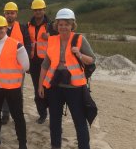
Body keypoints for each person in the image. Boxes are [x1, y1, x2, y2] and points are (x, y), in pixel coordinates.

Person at [38, 8, 96, 149]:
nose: (63, 27)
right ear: (56, 25)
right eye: (60, 24)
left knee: (80, 121)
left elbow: (92, 60)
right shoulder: (52, 40)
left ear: (72, 25)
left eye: (67, 24)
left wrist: (80, 55)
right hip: (54, 87)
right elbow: (45, 65)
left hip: (75, 88)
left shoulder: (79, 39)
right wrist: (40, 86)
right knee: (55, 121)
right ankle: (55, 146)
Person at [0, 15, 29, 149]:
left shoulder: (17, 45)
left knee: (18, 116)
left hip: (12, 88)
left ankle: (22, 144)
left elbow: (26, 66)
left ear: (5, 28)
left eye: (1, 28)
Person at [1, 2, 31, 125]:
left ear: (16, 14)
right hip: (3, 67)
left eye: (12, 13)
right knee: (4, 92)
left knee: (18, 92)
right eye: (7, 13)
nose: (10, 15)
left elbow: (28, 45)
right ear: (4, 14)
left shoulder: (23, 28)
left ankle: (18, 114)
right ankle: (5, 114)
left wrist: (26, 63)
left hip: (18, 67)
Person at [28, 0, 57, 124]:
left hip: (48, 62)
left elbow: (60, 39)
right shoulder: (28, 25)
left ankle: (53, 114)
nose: (38, 12)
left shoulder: (52, 26)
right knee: (37, 89)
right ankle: (42, 114)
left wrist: (50, 37)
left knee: (50, 89)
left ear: (44, 10)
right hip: (34, 62)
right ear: (33, 11)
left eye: (40, 9)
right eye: (36, 10)